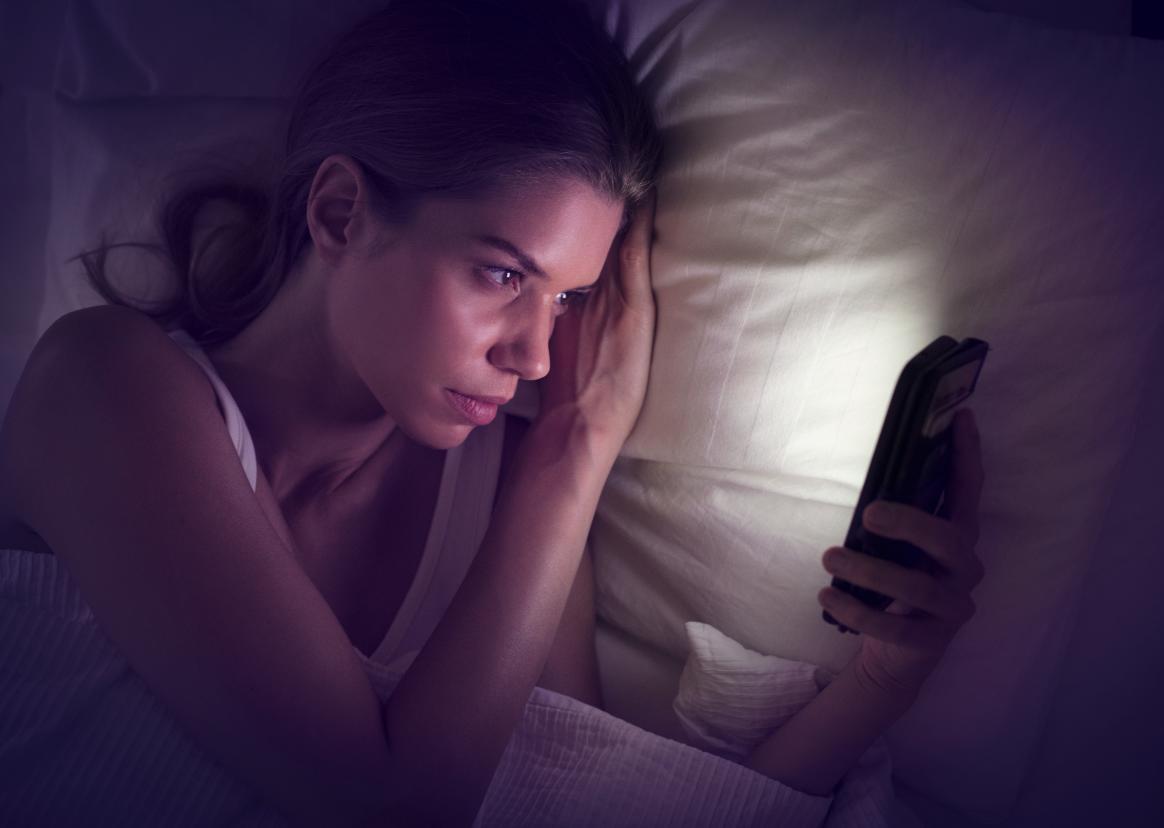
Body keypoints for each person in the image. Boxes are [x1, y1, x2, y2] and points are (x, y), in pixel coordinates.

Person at [0, 0, 986, 824]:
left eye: (564, 299)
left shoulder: (496, 501)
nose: (535, 354)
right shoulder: (104, 382)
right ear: (341, 214)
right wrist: (573, 449)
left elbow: (574, 801)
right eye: (503, 272)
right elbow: (388, 808)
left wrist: (882, 682)